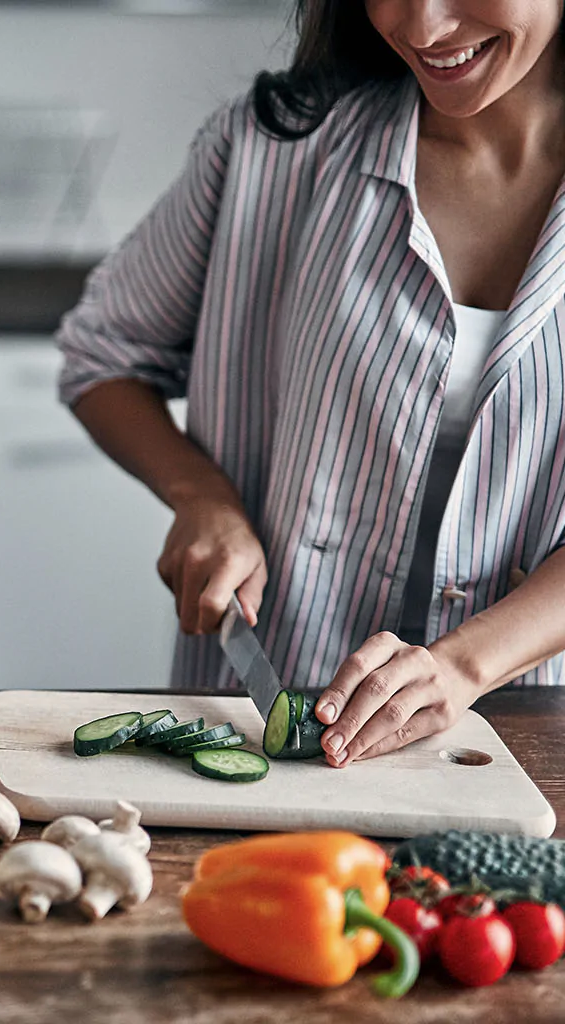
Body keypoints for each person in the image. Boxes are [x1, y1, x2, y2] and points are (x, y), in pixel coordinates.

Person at [57, 0, 565, 764]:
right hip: (264, 736)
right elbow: (105, 356)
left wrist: (464, 665)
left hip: (527, 747)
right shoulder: (271, 147)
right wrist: (203, 498)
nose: (422, 28)